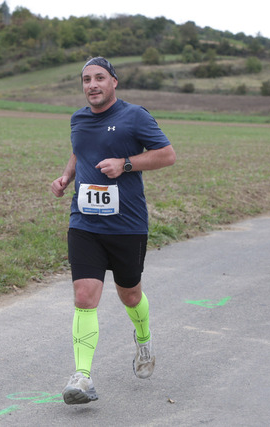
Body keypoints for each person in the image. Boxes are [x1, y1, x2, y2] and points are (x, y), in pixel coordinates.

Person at [51, 57, 176, 405]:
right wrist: (66, 177)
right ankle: (82, 377)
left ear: (113, 82)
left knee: (130, 295)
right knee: (84, 296)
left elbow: (167, 155)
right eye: (86, 79)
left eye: (99, 78)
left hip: (127, 225)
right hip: (85, 222)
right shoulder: (78, 119)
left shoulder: (135, 116)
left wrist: (125, 164)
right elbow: (79, 150)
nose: (92, 85)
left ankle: (143, 339)